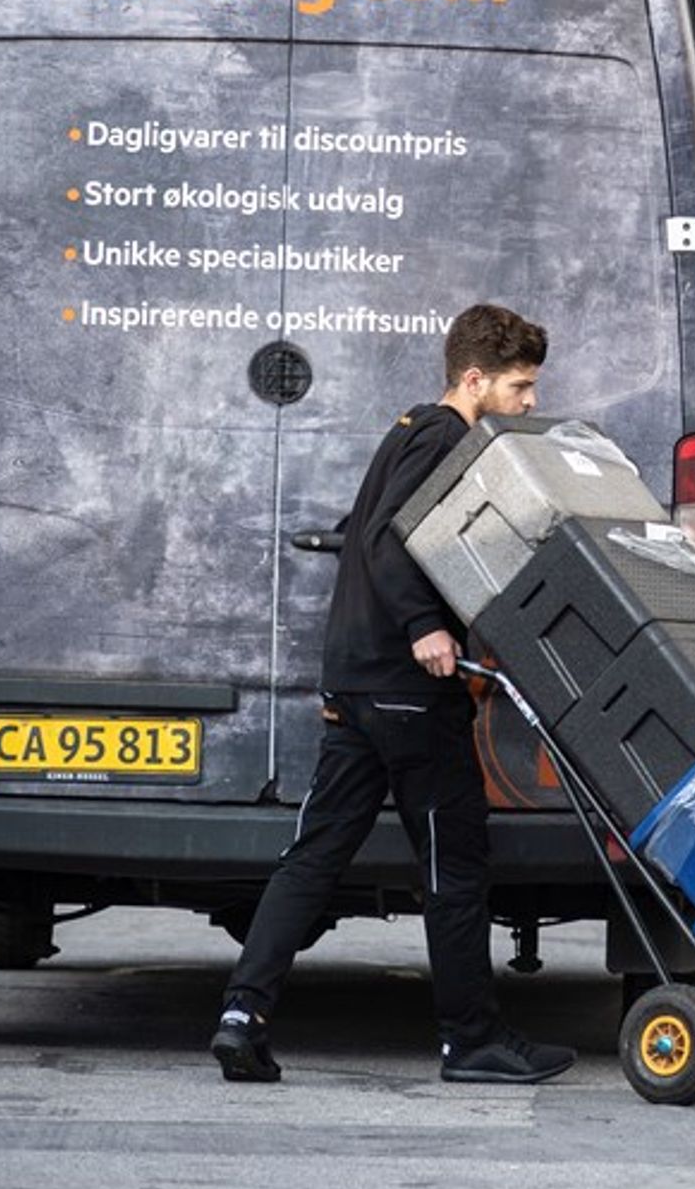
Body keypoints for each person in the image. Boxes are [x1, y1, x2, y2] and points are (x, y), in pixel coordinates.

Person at [211, 304, 576, 1086]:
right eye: (520, 385)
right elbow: (385, 536)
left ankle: (243, 1014)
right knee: (454, 863)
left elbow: (367, 527)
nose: (530, 402)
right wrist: (423, 626)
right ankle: (471, 1040)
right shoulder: (444, 437)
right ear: (473, 378)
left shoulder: (407, 429)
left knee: (313, 857)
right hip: (408, 690)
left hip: (358, 683)